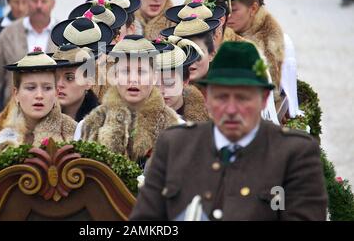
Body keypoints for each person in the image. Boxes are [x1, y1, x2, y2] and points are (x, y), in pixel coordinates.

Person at [130, 41, 328, 221]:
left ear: (265, 98)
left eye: (243, 98)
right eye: (222, 97)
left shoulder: (294, 154)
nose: (232, 110)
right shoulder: (174, 145)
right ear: (206, 97)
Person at [75, 35, 182, 168]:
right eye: (125, 71)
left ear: (154, 77)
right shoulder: (87, 126)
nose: (133, 80)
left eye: (140, 72)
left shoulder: (177, 128)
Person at [0, 49, 77, 164]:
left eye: (47, 88)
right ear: (16, 94)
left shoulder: (74, 133)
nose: (39, 95)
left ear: (56, 93)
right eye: (30, 88)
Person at [0, 0, 57, 128]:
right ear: (27, 1)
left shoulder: (62, 36)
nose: (39, 6)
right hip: (13, 120)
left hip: (53, 122)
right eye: (34, 1)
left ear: (53, 3)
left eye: (43, 1)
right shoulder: (9, 33)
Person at [155, 36, 209, 122]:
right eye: (155, 85)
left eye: (169, 83)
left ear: (185, 80)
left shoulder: (207, 121)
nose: (161, 90)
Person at [51, 44, 99, 122]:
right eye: (55, 78)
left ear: (89, 82)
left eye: (69, 78)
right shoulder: (37, 123)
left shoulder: (103, 125)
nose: (59, 84)